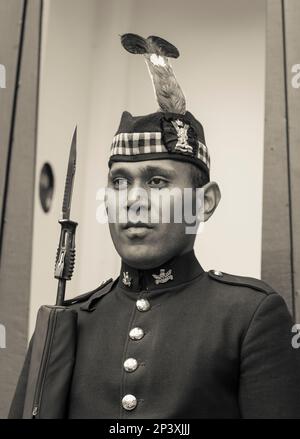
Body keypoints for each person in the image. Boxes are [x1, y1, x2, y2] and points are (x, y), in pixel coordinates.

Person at [9, 34, 300, 419]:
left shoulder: (249, 316)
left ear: (205, 201)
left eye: (157, 182)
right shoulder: (72, 319)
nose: (133, 199)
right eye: (118, 182)